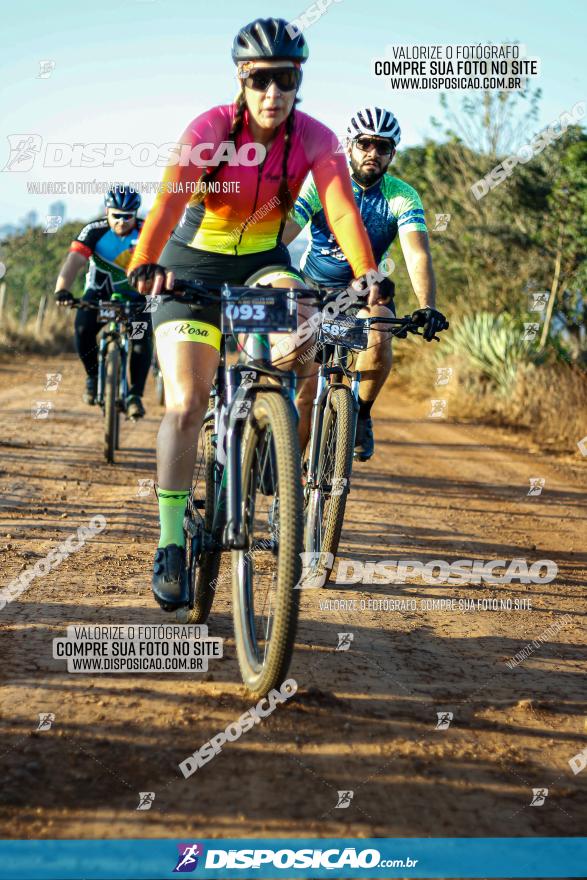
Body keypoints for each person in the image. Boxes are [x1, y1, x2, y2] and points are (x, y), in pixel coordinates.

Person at [126, 18, 380, 611]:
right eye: (260, 79)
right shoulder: (211, 128)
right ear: (242, 79)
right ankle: (169, 542)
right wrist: (144, 261)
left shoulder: (315, 138)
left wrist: (366, 272)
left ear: (298, 80)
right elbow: (167, 198)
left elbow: (342, 211)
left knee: (301, 340)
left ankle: (269, 435)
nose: (273, 93)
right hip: (188, 266)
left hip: (261, 264)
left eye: (286, 79)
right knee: (187, 403)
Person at [283, 106, 447, 460]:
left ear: (393, 153)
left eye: (383, 147)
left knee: (380, 332)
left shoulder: (402, 196)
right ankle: (290, 483)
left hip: (365, 290)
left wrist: (427, 306)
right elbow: (287, 232)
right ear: (350, 145)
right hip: (313, 286)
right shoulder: (323, 182)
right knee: (306, 391)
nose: (373, 152)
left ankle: (362, 413)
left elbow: (417, 255)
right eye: (365, 143)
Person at [54, 186, 152, 419]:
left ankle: (134, 396)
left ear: (135, 214)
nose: (121, 221)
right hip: (99, 295)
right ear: (107, 211)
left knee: (140, 338)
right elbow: (75, 261)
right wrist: (62, 290)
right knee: (82, 329)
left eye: (127, 216)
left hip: (137, 298)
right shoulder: (94, 230)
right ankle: (92, 376)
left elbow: (168, 260)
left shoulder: (147, 231)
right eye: (116, 215)